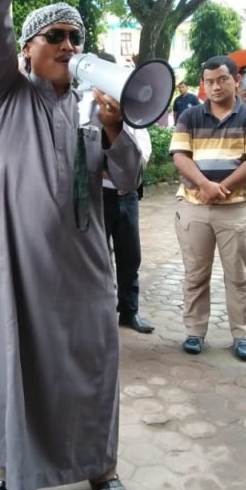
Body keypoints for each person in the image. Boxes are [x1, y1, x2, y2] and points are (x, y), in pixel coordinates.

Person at [0, 0, 143, 490]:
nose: (69, 46)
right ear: (27, 48)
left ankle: (101, 466)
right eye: (56, 37)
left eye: (76, 38)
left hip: (83, 267)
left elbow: (126, 180)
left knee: (92, 364)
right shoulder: (5, 95)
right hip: (16, 267)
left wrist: (117, 130)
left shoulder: (96, 107)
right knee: (11, 367)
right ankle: (3, 472)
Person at [170, 55, 246, 359]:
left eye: (222, 79)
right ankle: (194, 332)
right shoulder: (190, 116)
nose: (216, 87)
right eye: (209, 81)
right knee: (195, 273)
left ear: (236, 80)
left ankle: (242, 335)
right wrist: (205, 185)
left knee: (239, 275)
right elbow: (180, 156)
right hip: (194, 207)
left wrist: (222, 188)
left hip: (235, 208)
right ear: (203, 84)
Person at [89, 52, 155, 334]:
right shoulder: (84, 112)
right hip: (98, 198)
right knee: (98, 258)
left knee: (130, 257)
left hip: (127, 197)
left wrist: (117, 166)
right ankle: (100, 314)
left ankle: (129, 312)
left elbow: (142, 158)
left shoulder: (131, 112)